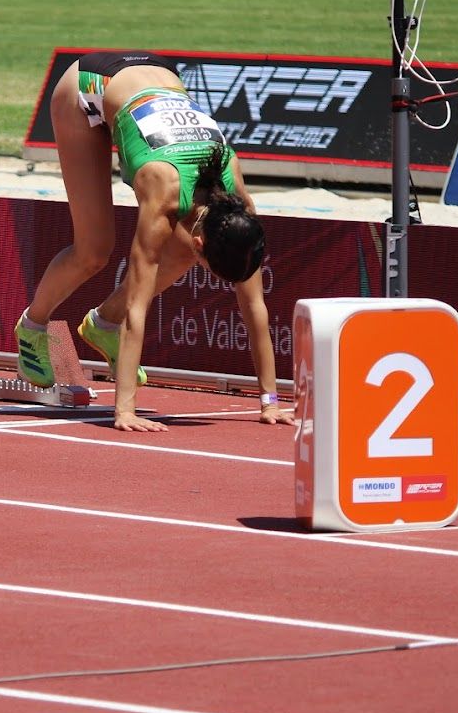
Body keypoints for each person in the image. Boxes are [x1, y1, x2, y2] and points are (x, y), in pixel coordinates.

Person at [15, 52, 293, 433]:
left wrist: (270, 401)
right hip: (87, 87)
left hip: (155, 74)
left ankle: (101, 326)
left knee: (176, 256)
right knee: (94, 251)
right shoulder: (163, 192)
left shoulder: (239, 206)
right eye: (210, 267)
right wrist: (124, 410)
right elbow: (138, 307)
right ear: (202, 241)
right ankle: (33, 325)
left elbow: (254, 302)